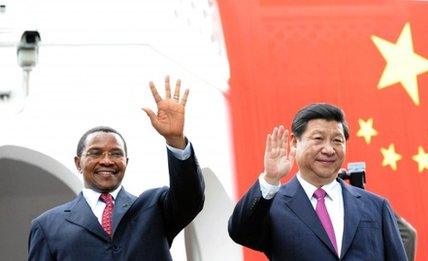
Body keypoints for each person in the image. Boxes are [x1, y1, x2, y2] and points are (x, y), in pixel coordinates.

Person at [28, 76, 205, 260]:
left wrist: (175, 140)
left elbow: (190, 198)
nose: (106, 161)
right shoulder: (47, 226)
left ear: (126, 162)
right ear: (78, 163)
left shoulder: (155, 208)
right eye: (95, 153)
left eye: (116, 153)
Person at [228, 103, 407, 261]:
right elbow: (240, 232)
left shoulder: (376, 206)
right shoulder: (273, 205)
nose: (329, 149)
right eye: (318, 139)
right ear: (294, 142)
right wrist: (270, 178)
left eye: (337, 141)